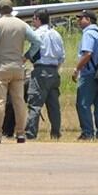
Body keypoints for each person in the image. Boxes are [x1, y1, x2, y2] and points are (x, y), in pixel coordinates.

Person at [0, 0, 42, 144]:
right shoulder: (22, 24)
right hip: (18, 68)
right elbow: (37, 41)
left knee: (0, 102)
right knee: (19, 101)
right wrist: (26, 56)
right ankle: (21, 133)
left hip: (0, 67)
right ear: (12, 9)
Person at [24, 9, 65, 140]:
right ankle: (56, 133)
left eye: (33, 19)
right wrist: (55, 69)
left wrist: (25, 58)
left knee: (35, 104)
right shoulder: (56, 34)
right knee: (54, 105)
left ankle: (30, 133)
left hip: (40, 70)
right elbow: (62, 56)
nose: (32, 21)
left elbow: (33, 50)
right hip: (54, 71)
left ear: (38, 19)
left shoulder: (37, 34)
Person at [72, 9, 98, 140]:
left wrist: (77, 69)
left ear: (88, 20)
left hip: (89, 74)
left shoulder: (88, 33)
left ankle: (87, 133)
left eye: (81, 18)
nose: (79, 21)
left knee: (83, 104)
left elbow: (87, 54)